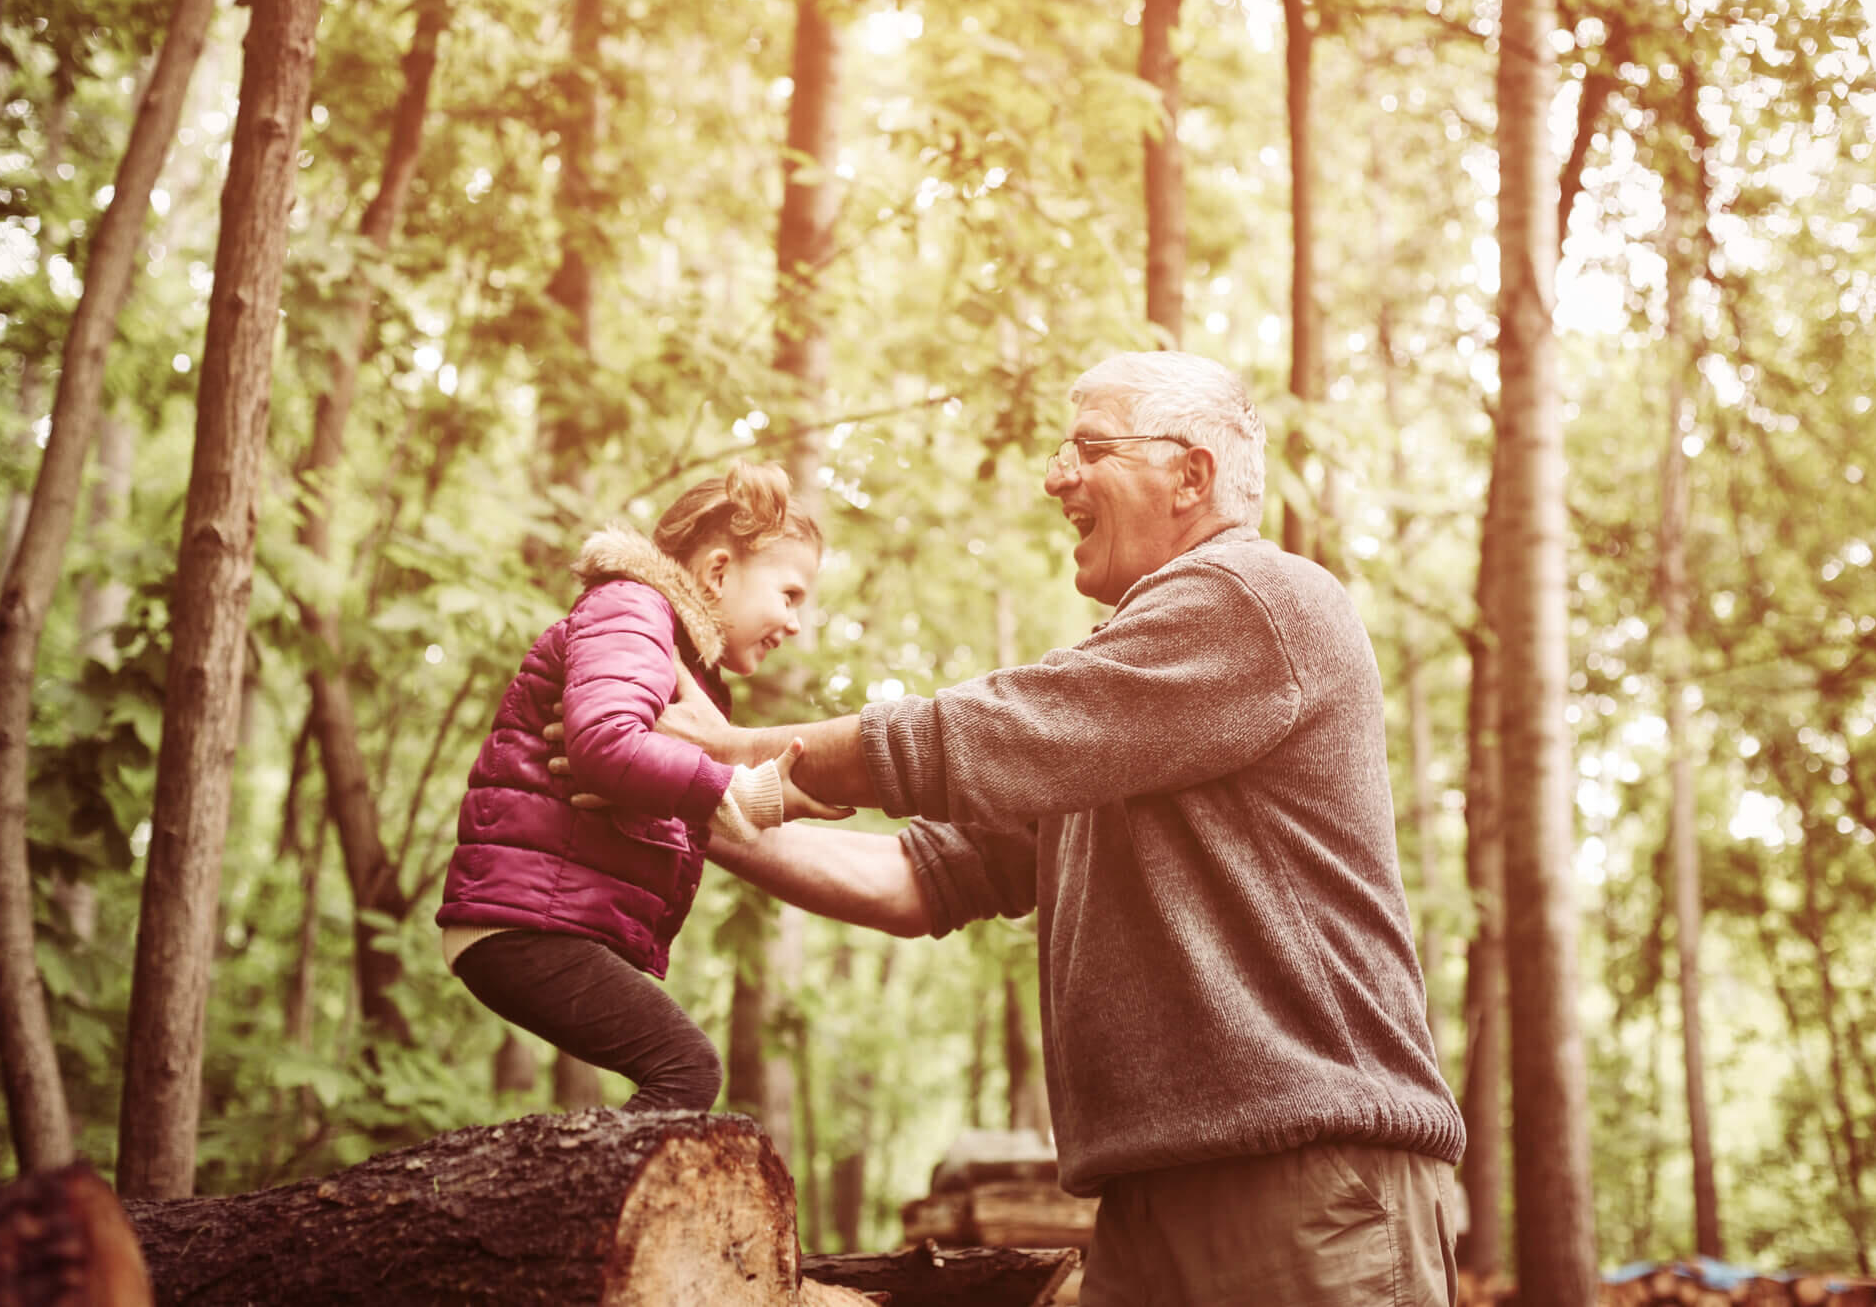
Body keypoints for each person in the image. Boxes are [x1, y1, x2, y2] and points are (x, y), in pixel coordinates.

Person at [601, 351, 1466, 1306]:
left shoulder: (1257, 598)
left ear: (1192, 475)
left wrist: (727, 748)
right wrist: (690, 802)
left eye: (1088, 447)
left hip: (1307, 1187)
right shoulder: (1123, 725)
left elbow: (979, 734)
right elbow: (921, 878)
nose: (1056, 474)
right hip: (1148, 1204)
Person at [437, 461, 847, 1113]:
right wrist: (740, 791)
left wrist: (754, 795)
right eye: (790, 594)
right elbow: (604, 746)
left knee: (679, 1068)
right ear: (717, 572)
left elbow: (646, 779)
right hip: (522, 921)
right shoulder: (631, 611)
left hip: (536, 919)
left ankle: (583, 1201)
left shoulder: (681, 663)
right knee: (685, 1068)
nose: (795, 622)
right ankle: (590, 1210)